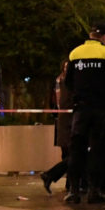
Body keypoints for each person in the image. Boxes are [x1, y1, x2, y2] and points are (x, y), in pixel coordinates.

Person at [64, 22, 105, 204]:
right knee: (98, 151)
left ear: (90, 35)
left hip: (81, 110)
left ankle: (74, 191)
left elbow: (68, 82)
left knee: (76, 151)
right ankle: (94, 191)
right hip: (101, 109)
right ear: (104, 37)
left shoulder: (75, 53)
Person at [40, 60, 71, 195]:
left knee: (74, 154)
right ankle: (51, 176)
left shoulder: (66, 81)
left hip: (68, 120)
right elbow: (59, 102)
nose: (66, 69)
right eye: (65, 67)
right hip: (67, 121)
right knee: (74, 154)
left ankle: (70, 183)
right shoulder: (63, 82)